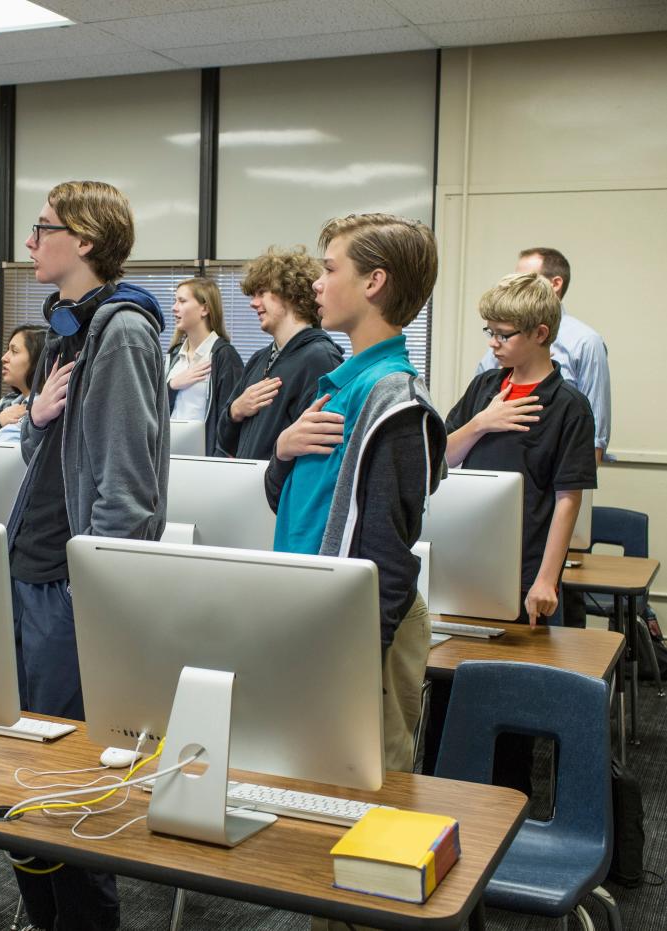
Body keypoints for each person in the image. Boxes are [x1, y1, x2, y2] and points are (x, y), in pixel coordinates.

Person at [5, 180, 170, 931]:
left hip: (71, 586)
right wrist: (33, 419)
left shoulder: (122, 329)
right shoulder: (66, 328)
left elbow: (126, 488)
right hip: (31, 567)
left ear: (87, 241)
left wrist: (104, 600)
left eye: (43, 228)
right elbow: (47, 452)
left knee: (66, 783)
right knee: (23, 776)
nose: (30, 241)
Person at [265, 214, 446, 787]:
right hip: (313, 614)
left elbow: (389, 549)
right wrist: (283, 450)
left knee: (372, 790)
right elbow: (284, 501)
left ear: (373, 283)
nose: (316, 284)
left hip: (362, 630)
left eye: (329, 269)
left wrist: (358, 653)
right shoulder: (341, 384)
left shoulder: (394, 398)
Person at [445, 272, 596, 627]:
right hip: (467, 553)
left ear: (540, 334)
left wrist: (546, 579)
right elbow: (443, 457)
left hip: (526, 564)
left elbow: (567, 499)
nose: (493, 343)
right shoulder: (484, 388)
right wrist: (481, 422)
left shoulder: (568, 406)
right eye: (490, 332)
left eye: (503, 334)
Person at [475, 247, 610, 464]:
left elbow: (594, 434)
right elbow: (475, 415)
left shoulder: (585, 342)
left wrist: (581, 490)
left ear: (555, 284)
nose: (517, 285)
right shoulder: (498, 349)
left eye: (528, 277)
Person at [216, 247, 343, 460]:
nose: (253, 303)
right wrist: (235, 411)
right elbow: (225, 442)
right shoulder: (260, 359)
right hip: (250, 489)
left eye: (261, 293)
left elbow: (322, 454)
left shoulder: (320, 360)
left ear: (289, 292)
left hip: (282, 492)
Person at [163, 276, 242, 456]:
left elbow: (229, 421)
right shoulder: (173, 356)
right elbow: (153, 409)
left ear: (205, 308)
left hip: (204, 462)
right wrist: (172, 385)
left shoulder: (224, 357)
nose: (174, 308)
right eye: (175, 301)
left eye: (182, 301)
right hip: (168, 458)